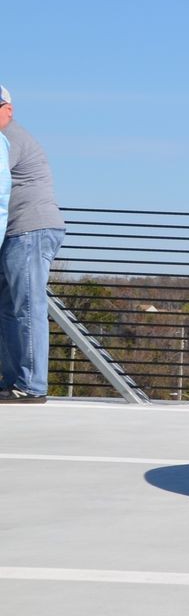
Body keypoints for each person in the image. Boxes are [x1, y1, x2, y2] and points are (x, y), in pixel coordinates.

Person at [0, 87, 66, 404]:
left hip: (30, 230)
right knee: (9, 310)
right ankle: (14, 380)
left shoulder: (9, 137)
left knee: (27, 307)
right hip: (17, 231)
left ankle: (31, 385)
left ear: (8, 109)